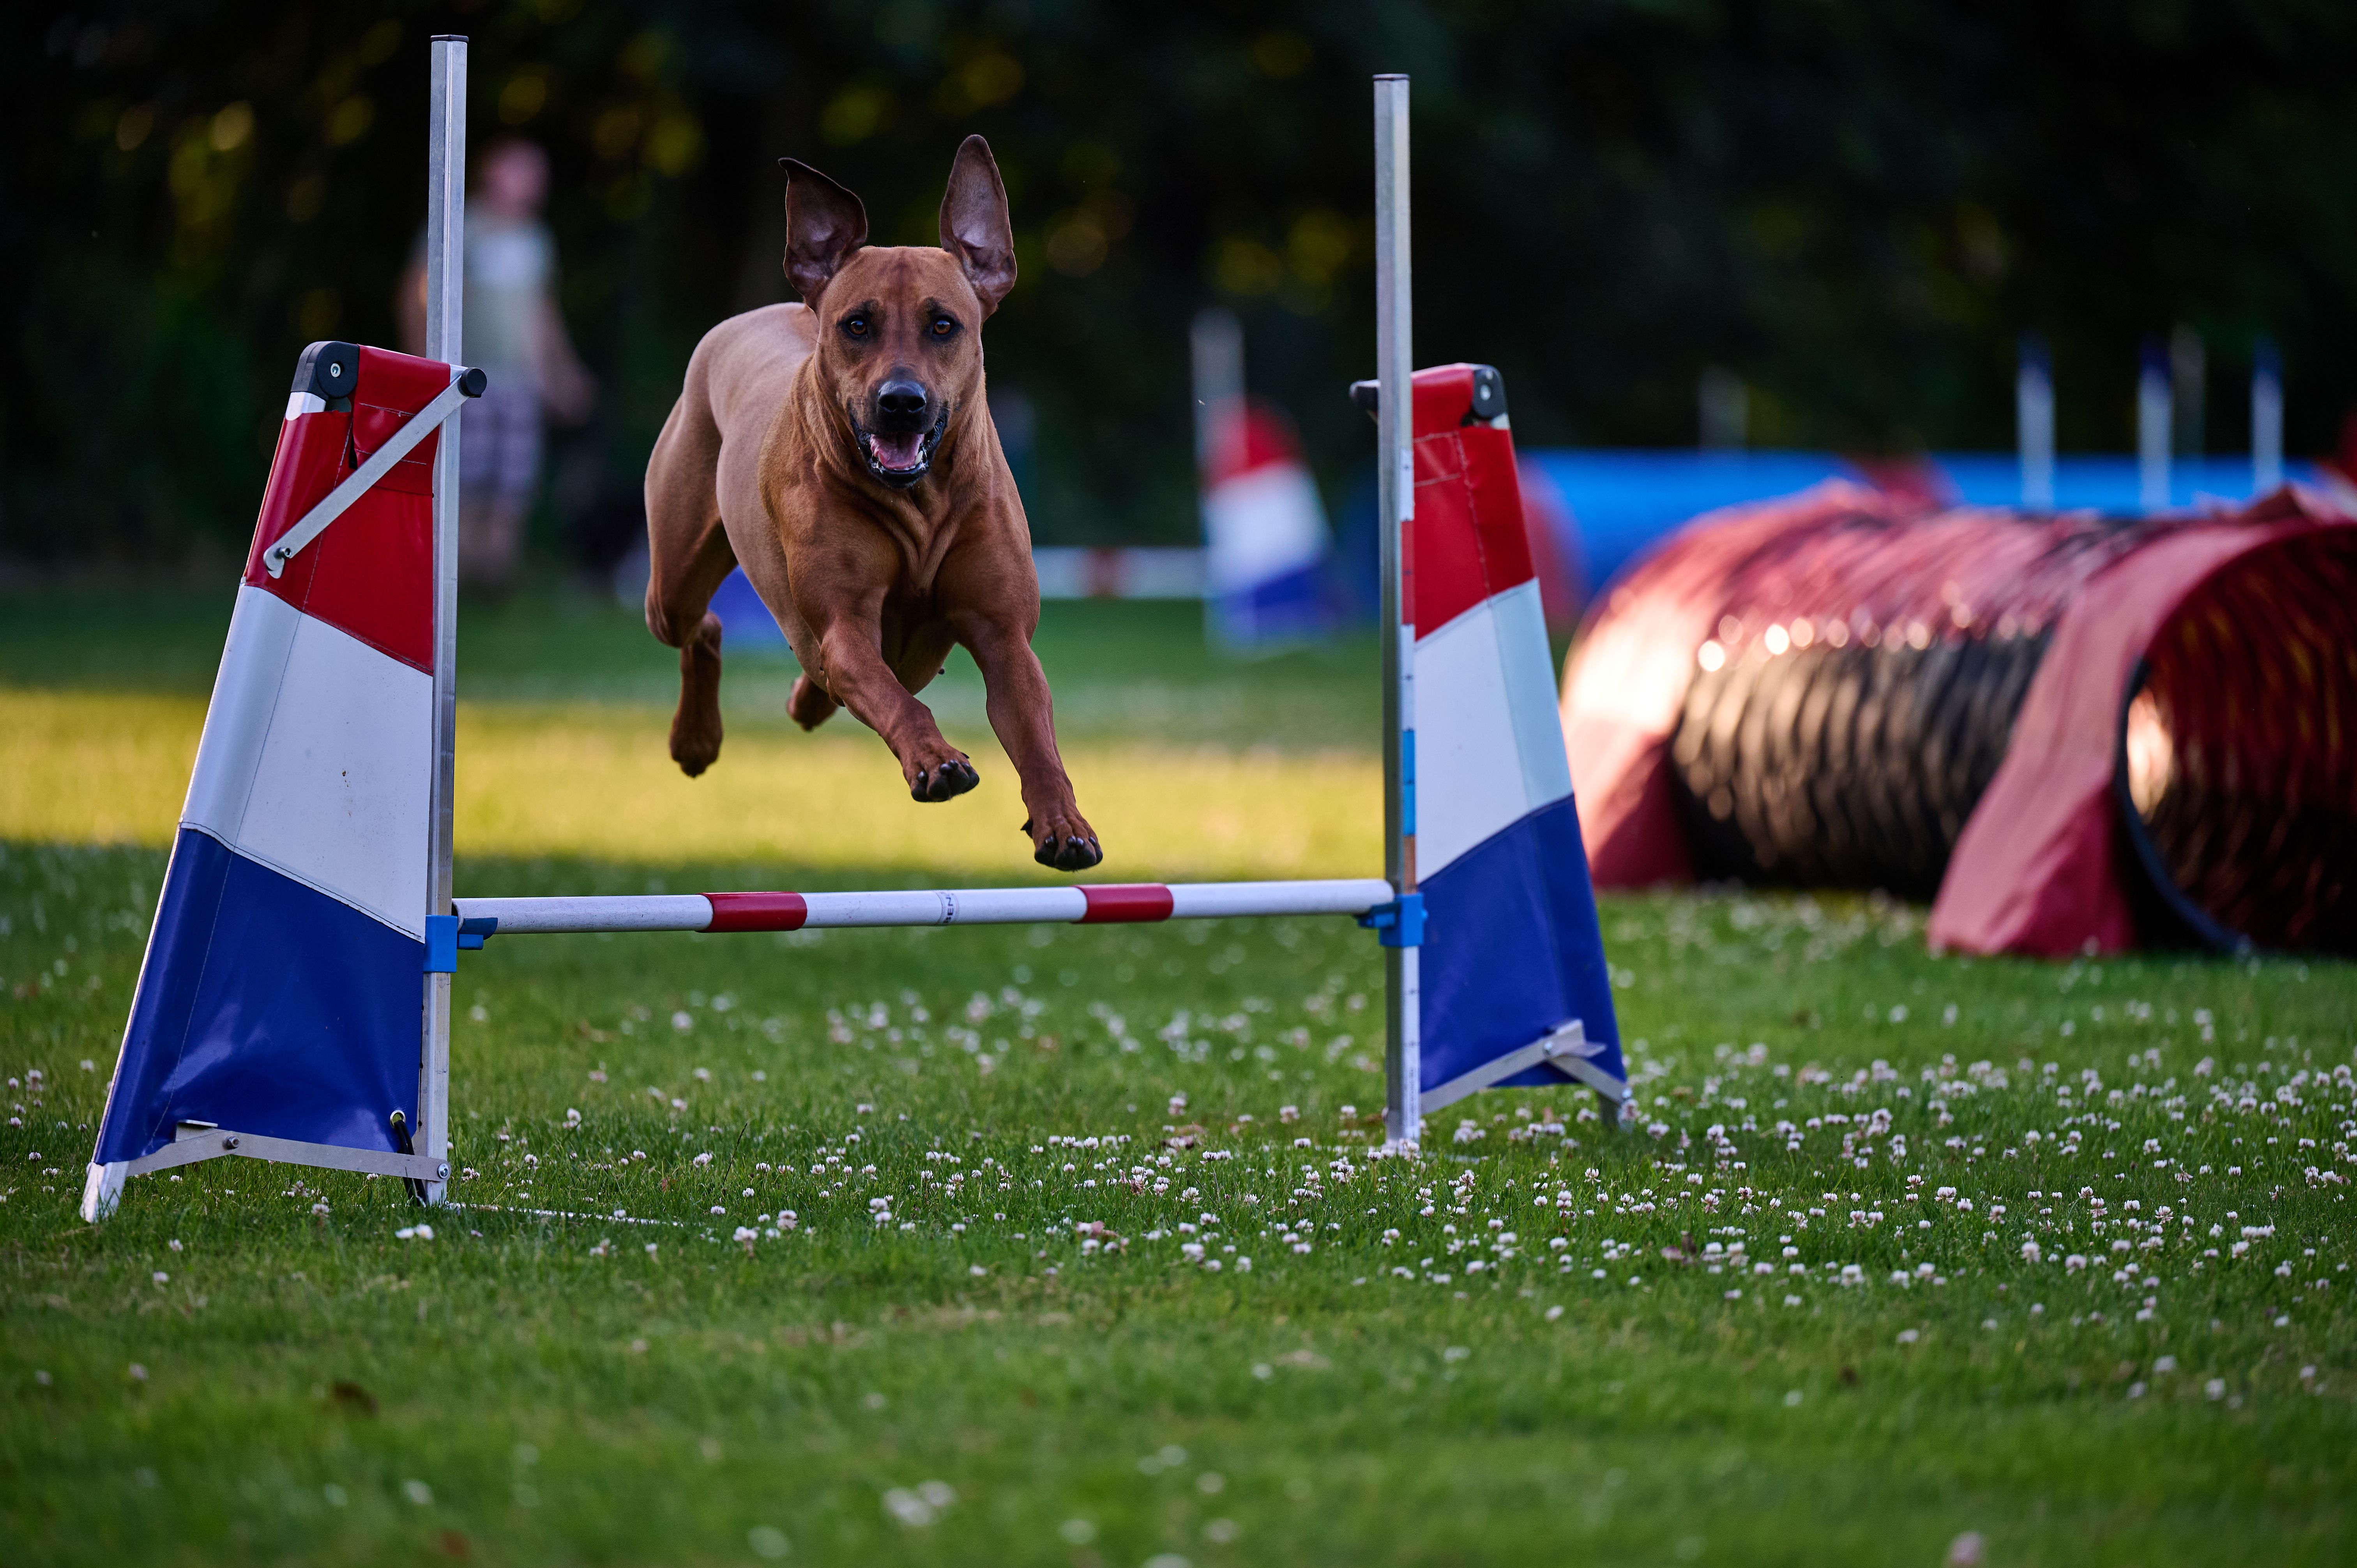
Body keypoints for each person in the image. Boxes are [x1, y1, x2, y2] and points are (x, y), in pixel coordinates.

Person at [398, 138, 595, 591]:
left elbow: (542, 315)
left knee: (511, 489)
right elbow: (417, 294)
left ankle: (494, 587)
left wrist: (562, 376)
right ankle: (452, 585)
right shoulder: (461, 228)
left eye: (537, 173)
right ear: (493, 172)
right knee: (463, 485)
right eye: (522, 170)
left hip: (521, 386)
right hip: (467, 381)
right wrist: (423, 369)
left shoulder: (536, 241)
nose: (534, 182)